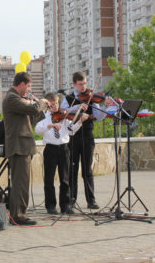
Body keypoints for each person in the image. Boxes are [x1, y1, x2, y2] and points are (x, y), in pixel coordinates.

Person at [3, 72, 51, 225]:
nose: (29, 90)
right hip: (18, 146)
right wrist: (42, 102)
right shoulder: (12, 98)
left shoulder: (19, 100)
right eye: (28, 86)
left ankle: (20, 212)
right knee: (20, 182)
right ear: (21, 84)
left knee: (23, 181)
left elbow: (30, 117)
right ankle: (18, 216)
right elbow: (32, 110)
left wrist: (42, 109)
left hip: (23, 146)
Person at [60, 71, 113, 209]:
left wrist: (105, 106)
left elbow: (98, 116)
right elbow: (63, 113)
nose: (83, 87)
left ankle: (91, 200)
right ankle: (71, 199)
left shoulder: (91, 97)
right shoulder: (68, 98)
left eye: (84, 83)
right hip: (73, 136)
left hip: (88, 135)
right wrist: (77, 107)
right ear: (74, 84)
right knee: (72, 168)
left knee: (87, 169)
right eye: (80, 84)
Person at [35, 92, 88, 215]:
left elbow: (71, 131)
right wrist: (50, 125)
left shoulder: (63, 116)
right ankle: (51, 206)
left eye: (57, 103)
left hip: (64, 149)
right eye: (53, 104)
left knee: (65, 179)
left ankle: (65, 205)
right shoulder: (43, 116)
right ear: (47, 104)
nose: (56, 107)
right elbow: (38, 130)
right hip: (50, 149)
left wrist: (80, 121)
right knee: (49, 179)